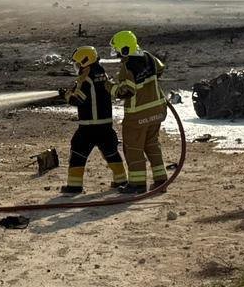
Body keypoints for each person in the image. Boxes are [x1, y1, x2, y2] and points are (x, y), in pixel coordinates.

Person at [58, 46, 127, 195]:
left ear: (85, 62)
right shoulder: (102, 73)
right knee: (111, 152)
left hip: (89, 126)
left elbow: (78, 100)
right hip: (106, 125)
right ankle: (121, 180)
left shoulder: (87, 79)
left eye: (78, 64)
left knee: (78, 153)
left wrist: (66, 96)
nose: (76, 67)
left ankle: (74, 186)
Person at [110, 30, 168, 194]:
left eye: (117, 50)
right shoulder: (149, 56)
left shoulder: (128, 66)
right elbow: (160, 69)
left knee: (133, 149)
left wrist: (110, 86)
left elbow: (126, 91)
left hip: (138, 116)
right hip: (157, 111)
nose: (117, 54)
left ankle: (137, 184)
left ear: (125, 49)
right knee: (152, 146)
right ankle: (161, 181)